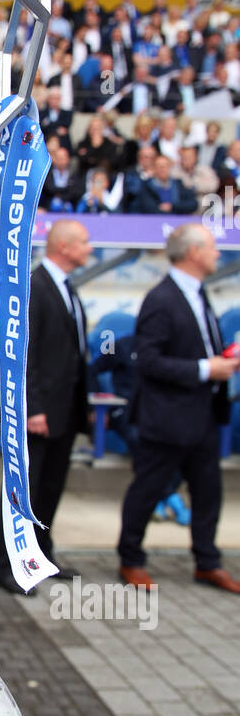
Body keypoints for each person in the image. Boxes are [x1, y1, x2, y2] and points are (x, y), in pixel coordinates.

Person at [118, 225, 240, 593]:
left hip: (202, 414)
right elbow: (149, 362)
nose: (218, 253)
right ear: (192, 253)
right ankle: (131, 560)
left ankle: (207, 562)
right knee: (149, 488)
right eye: (212, 248)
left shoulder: (199, 295)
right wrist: (206, 368)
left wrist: (224, 359)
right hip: (167, 417)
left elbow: (196, 346)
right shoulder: (162, 299)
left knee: (208, 492)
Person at [0, 219, 92, 593]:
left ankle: (41, 556)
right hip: (37, 414)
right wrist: (31, 409)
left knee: (50, 488)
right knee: (23, 491)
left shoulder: (66, 288)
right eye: (84, 242)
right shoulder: (34, 287)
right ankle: (6, 564)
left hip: (63, 411)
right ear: (64, 246)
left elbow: (73, 354)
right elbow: (20, 353)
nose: (90, 248)